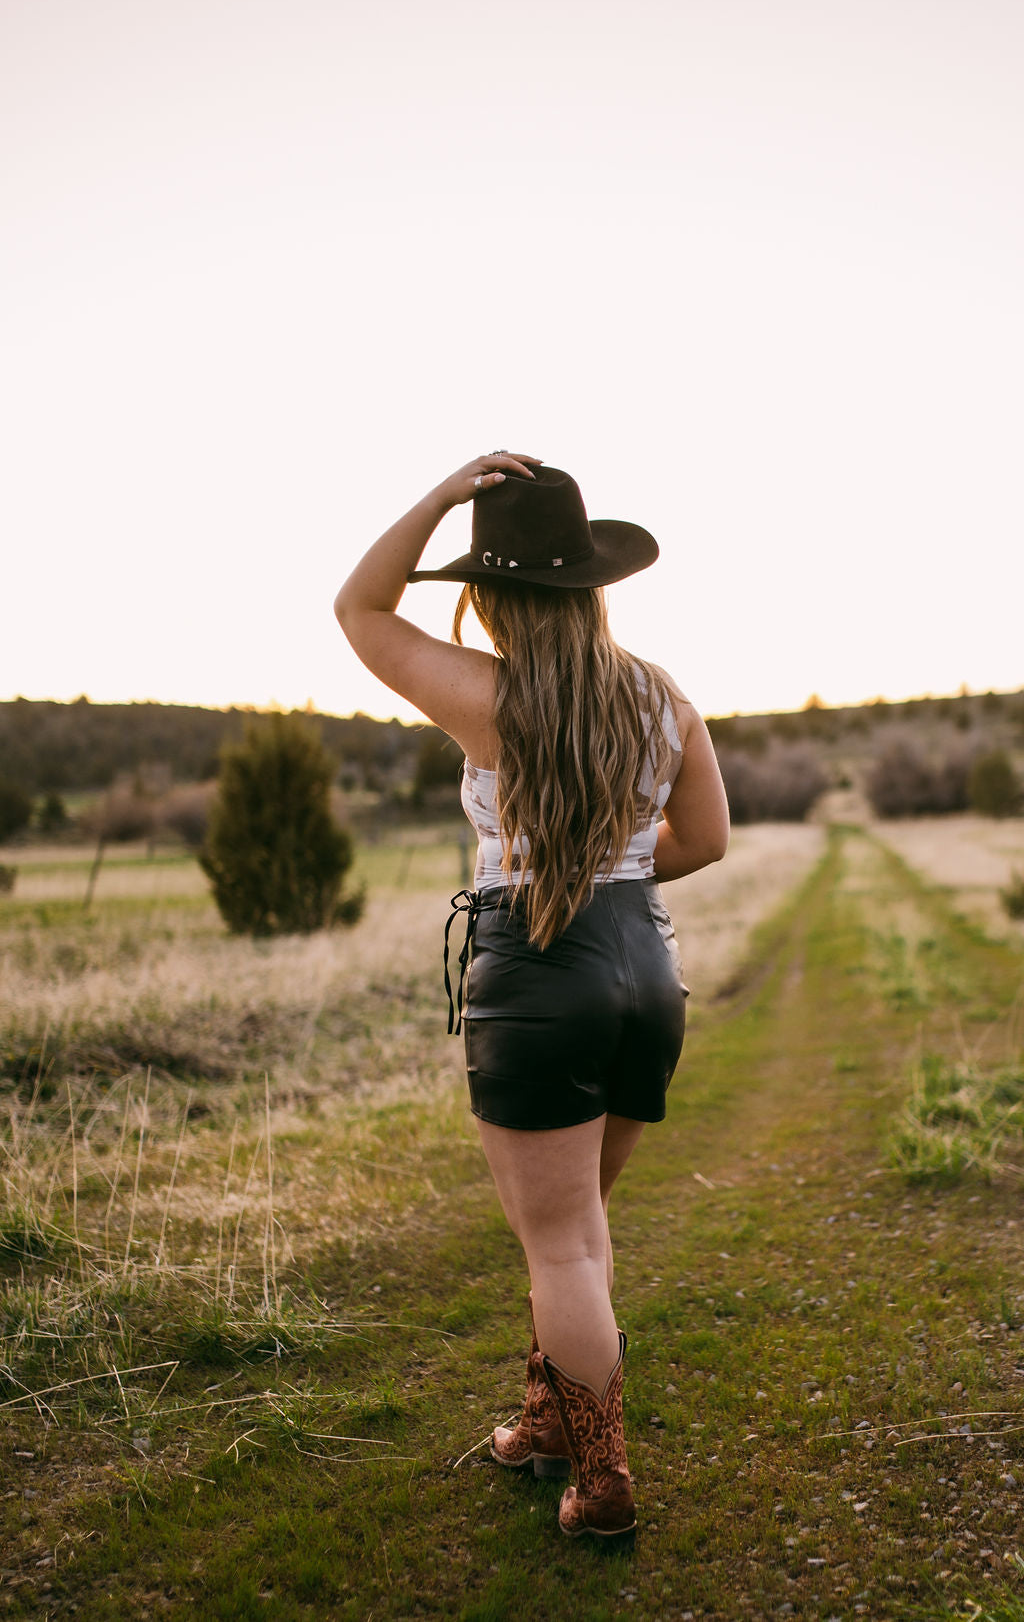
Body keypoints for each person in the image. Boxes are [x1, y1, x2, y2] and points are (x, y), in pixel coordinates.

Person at [335, 451, 729, 1547]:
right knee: (578, 1231)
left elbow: (360, 605)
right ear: (592, 580)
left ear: (493, 592)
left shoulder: (486, 694)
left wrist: (440, 495)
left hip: (541, 967)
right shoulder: (664, 697)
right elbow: (704, 840)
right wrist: (612, 867)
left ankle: (602, 1474)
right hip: (645, 969)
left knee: (558, 1245)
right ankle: (548, 1416)